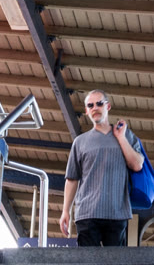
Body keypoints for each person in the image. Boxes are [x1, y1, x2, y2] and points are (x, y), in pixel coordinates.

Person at [60, 90, 146, 246]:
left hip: (117, 213)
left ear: (108, 106)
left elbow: (137, 164)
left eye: (99, 103)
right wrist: (66, 210)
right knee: (87, 261)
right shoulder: (80, 142)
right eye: (90, 105)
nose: (95, 108)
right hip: (87, 213)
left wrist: (120, 138)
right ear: (86, 111)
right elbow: (72, 179)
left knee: (114, 262)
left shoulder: (126, 135)